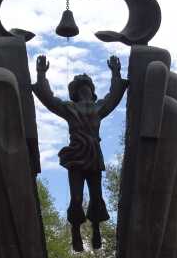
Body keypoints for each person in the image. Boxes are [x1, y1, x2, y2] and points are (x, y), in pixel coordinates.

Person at [32, 54, 127, 251]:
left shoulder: (98, 107)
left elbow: (114, 96)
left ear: (91, 90)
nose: (84, 87)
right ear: (75, 92)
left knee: (96, 196)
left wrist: (116, 73)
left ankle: (96, 227)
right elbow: (49, 100)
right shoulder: (69, 108)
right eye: (80, 85)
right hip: (76, 155)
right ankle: (75, 228)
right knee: (76, 198)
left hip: (93, 155)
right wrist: (41, 75)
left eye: (87, 85)